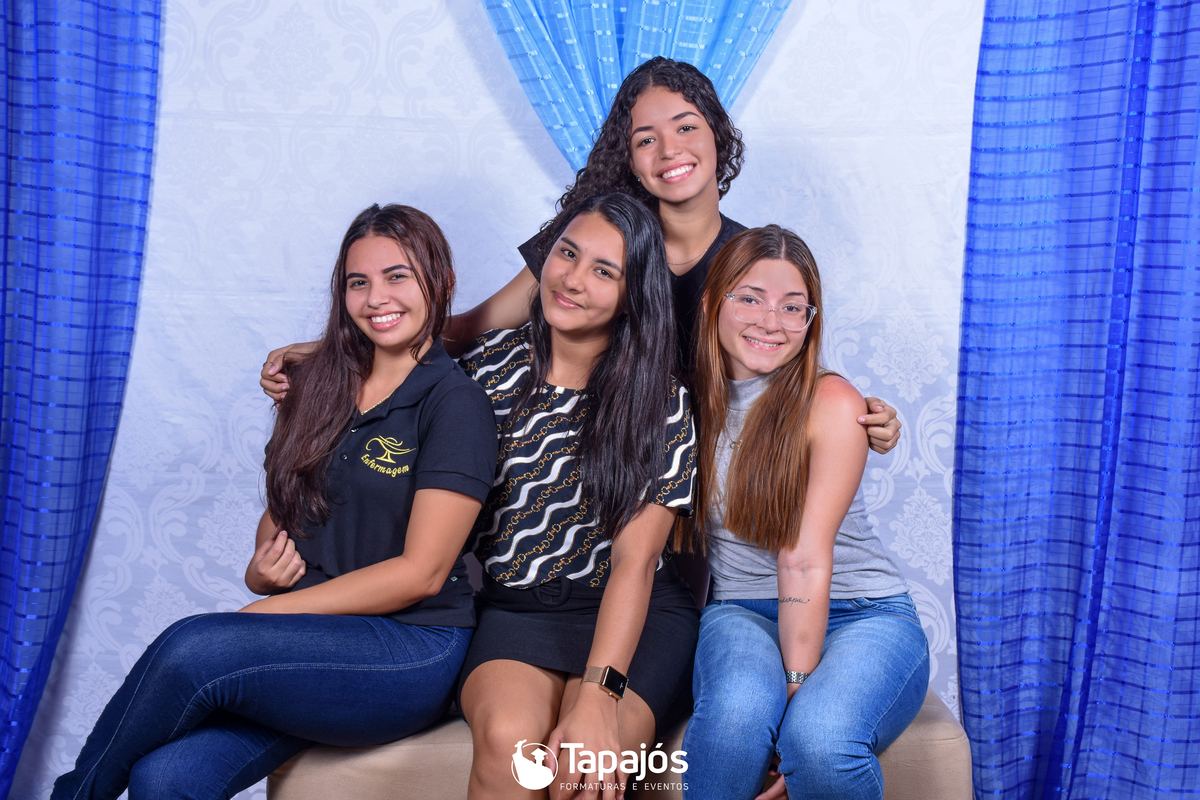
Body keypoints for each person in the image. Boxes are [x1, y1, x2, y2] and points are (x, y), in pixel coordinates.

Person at [51, 205, 499, 800]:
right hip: (309, 637)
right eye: (358, 282)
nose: (376, 298)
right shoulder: (317, 386)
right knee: (166, 778)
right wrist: (261, 571)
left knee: (193, 647)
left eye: (398, 276)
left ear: (439, 281)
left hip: (407, 648)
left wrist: (265, 615)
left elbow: (422, 573)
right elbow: (288, 509)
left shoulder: (455, 404)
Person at [259, 57, 903, 454]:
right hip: (602, 457)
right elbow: (469, 328)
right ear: (629, 158)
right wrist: (336, 348)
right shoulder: (589, 241)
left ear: (717, 133)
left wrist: (858, 412)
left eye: (685, 127)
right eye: (645, 139)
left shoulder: (752, 257)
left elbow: (781, 350)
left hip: (711, 468)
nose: (669, 150)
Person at [456, 193, 698, 799]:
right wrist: (322, 364)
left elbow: (636, 562)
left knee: (583, 771)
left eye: (604, 271)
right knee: (509, 745)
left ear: (632, 295)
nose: (572, 279)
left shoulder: (659, 398)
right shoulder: (484, 370)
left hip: (635, 615)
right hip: (517, 610)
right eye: (567, 254)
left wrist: (598, 695)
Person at [678, 225, 929, 800]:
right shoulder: (683, 401)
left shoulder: (830, 401)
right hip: (741, 610)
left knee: (819, 741)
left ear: (810, 321)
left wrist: (797, 688)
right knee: (735, 721)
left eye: (793, 307)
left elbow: (804, 558)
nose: (772, 322)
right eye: (751, 298)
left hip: (863, 612)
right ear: (713, 301)